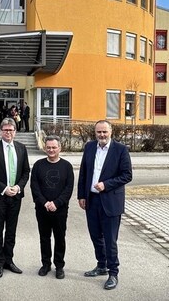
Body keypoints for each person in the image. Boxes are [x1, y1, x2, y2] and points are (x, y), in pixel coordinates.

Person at [77, 120, 132, 290]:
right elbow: (83, 172)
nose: (101, 135)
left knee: (110, 240)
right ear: (95, 133)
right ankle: (101, 265)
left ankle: (113, 273)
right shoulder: (90, 147)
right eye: (98, 132)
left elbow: (127, 175)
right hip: (92, 201)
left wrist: (106, 185)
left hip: (111, 202)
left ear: (111, 132)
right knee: (96, 236)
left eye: (104, 132)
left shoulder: (121, 150)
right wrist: (81, 195)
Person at [0, 117, 30, 278]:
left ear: (15, 132)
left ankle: (9, 260)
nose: (8, 132)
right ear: (0, 131)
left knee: (11, 231)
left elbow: (26, 171)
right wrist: (4, 189)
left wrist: (18, 187)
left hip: (15, 197)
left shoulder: (21, 148)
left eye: (11, 130)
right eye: (5, 130)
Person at [30, 135, 73, 279]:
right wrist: (45, 203)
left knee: (60, 238)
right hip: (42, 210)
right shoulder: (38, 165)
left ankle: (59, 266)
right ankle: (46, 264)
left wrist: (56, 203)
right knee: (44, 237)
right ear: (45, 148)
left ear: (59, 148)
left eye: (54, 147)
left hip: (60, 210)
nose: (51, 150)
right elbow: (34, 187)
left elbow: (68, 189)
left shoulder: (66, 166)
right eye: (48, 147)